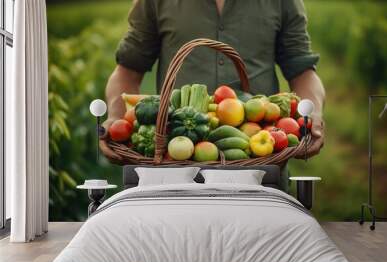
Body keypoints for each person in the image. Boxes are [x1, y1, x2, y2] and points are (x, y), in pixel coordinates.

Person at [100, 0, 325, 189]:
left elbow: (303, 70)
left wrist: (312, 112)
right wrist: (116, 118)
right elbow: (127, 71)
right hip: (176, 162)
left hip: (260, 164)